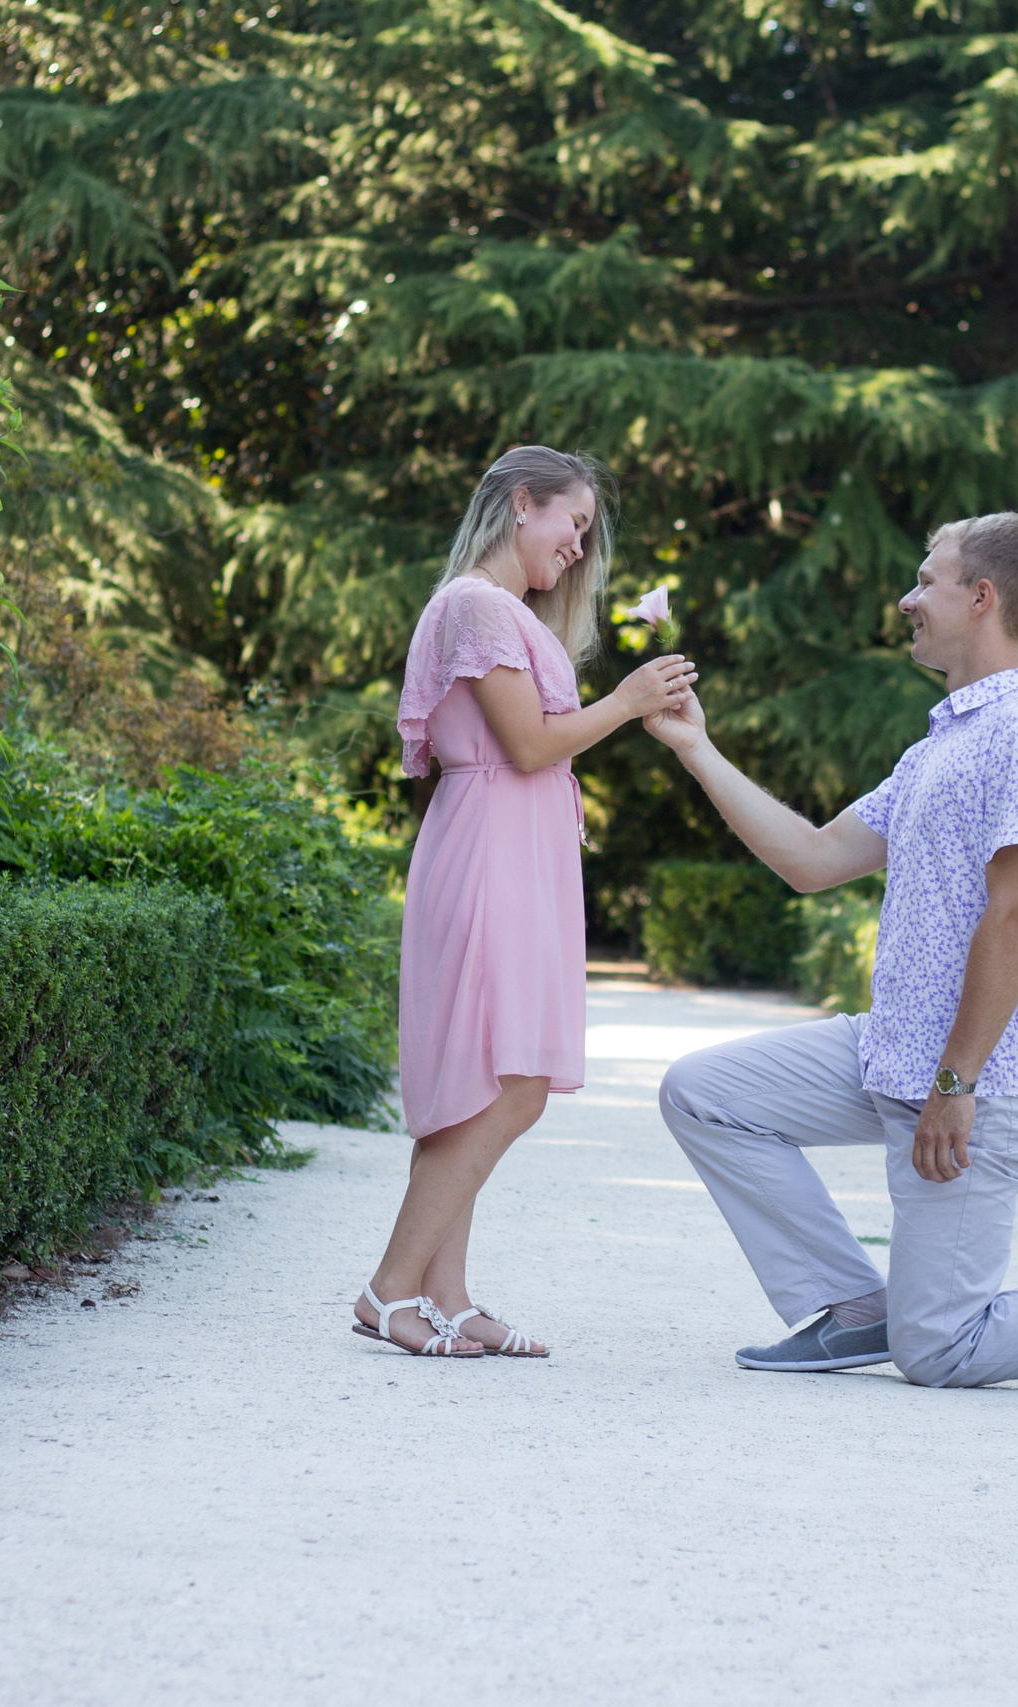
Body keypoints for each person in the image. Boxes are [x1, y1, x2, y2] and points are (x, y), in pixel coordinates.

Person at [645, 512, 1018, 1393]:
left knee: (940, 1349)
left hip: (978, 1080)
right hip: (887, 1050)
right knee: (705, 1095)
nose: (907, 599)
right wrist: (696, 748)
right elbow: (814, 859)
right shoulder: (943, 742)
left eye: (925, 580)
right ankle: (857, 1308)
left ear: (981, 597)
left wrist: (956, 1082)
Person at [354, 446, 698, 1358]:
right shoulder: (475, 604)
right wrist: (627, 700)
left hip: (508, 846)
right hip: (491, 846)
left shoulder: (503, 613)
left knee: (486, 1083)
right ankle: (390, 1286)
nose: (579, 548)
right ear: (520, 504)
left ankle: (449, 1294)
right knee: (512, 1083)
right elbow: (532, 744)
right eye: (572, 523)